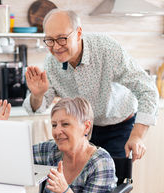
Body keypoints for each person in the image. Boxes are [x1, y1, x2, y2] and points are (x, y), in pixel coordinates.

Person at [23, 9, 159, 161]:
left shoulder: (106, 49)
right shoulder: (51, 63)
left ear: (79, 33)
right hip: (82, 131)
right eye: (50, 40)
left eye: (62, 38)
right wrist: (37, 95)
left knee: (114, 180)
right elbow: (36, 107)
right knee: (80, 182)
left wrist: (137, 136)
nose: (55, 47)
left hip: (119, 127)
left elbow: (148, 89)